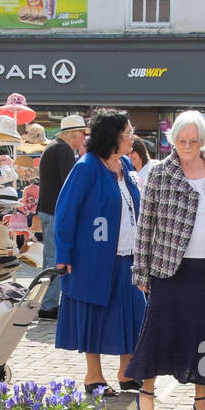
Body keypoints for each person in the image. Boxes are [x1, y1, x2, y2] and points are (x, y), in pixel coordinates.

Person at [126, 111, 205, 410]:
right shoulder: (161, 173)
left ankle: (201, 400)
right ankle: (146, 392)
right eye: (181, 141)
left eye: (193, 141)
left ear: (203, 141)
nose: (187, 146)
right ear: (172, 140)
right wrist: (141, 271)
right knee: (158, 331)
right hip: (168, 268)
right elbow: (145, 225)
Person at [53, 109, 145, 394]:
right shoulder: (87, 167)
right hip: (92, 258)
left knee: (132, 313)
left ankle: (126, 371)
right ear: (113, 137)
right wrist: (64, 255)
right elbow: (65, 211)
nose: (132, 138)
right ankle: (94, 377)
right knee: (94, 313)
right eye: (128, 133)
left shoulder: (126, 164)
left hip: (126, 256)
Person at [35, 114, 87, 320]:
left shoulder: (55, 147)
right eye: (82, 133)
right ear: (74, 134)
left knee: (52, 256)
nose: (84, 138)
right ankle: (48, 305)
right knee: (55, 257)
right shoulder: (63, 150)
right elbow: (72, 183)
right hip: (55, 211)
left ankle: (47, 302)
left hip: (48, 209)